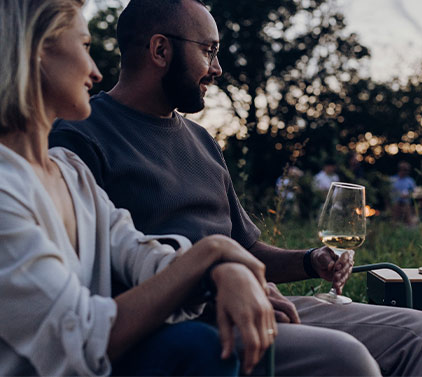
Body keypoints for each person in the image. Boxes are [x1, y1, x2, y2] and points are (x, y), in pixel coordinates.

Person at [49, 0, 422, 375]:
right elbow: (101, 263)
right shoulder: (80, 137)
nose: (218, 68)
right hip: (190, 320)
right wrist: (216, 278)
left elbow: (245, 247)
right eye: (208, 50)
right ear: (160, 51)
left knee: (419, 330)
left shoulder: (201, 141)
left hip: (257, 297)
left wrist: (311, 260)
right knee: (345, 358)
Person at [0, 1, 276, 375]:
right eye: (84, 47)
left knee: (199, 347)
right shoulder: (6, 192)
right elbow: (79, 336)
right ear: (35, 52)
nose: (96, 72)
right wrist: (213, 252)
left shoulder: (72, 175)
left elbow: (141, 255)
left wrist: (224, 270)